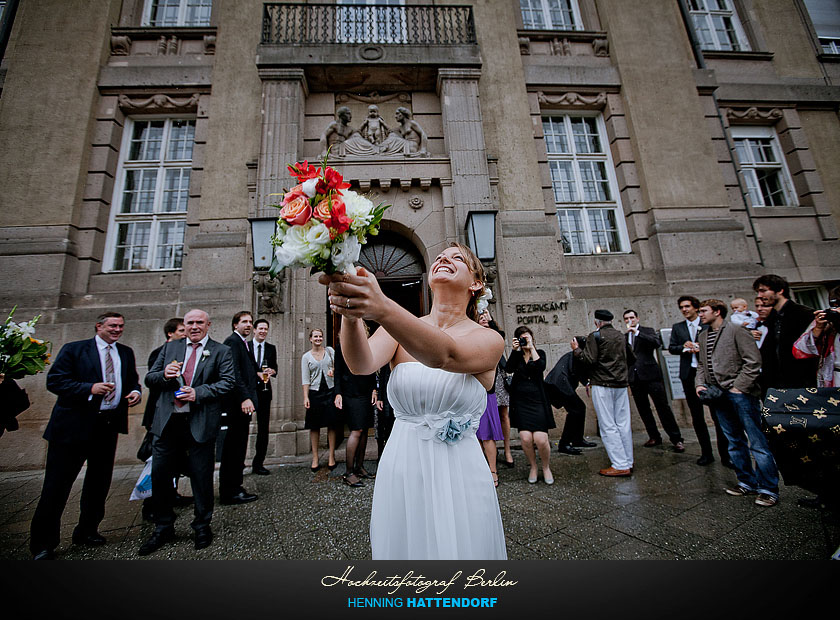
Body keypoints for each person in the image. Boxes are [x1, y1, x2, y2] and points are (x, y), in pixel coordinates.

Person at [320, 242, 506, 560]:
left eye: (456, 258)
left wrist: (383, 308)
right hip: (403, 461)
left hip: (458, 468)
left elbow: (447, 355)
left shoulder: (488, 339)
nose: (443, 259)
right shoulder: (398, 331)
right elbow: (360, 364)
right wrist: (350, 315)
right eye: (439, 257)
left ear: (476, 283)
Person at [30, 312, 142, 560]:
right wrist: (89, 388)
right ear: (99, 326)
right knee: (57, 486)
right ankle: (43, 543)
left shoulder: (125, 352)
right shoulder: (75, 350)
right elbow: (55, 382)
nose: (117, 330)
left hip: (107, 427)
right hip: (72, 428)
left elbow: (133, 380)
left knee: (98, 483)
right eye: (112, 326)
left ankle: (88, 530)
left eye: (121, 326)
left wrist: (135, 392)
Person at [138, 309, 236, 555]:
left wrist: (198, 393)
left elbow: (227, 382)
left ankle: (202, 526)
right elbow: (150, 378)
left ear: (208, 325)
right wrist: (164, 375)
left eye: (199, 322)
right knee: (160, 476)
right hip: (168, 423)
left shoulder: (220, 351)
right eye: (190, 322)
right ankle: (163, 526)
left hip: (200, 422)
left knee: (201, 478)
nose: (194, 326)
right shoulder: (170, 348)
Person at [695, 299, 779, 507]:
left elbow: (753, 361)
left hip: (742, 394)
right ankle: (746, 482)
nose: (701, 315)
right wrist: (699, 385)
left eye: (704, 311)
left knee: (757, 442)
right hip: (718, 395)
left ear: (717, 311)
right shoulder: (703, 335)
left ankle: (768, 488)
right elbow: (702, 365)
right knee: (734, 441)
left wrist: (739, 387)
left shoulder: (736, 330)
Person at [668, 296, 730, 467]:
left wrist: (699, 346)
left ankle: (725, 454)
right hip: (689, 374)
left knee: (718, 416)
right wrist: (684, 347)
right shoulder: (678, 327)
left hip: (709, 374)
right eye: (681, 307)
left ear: (696, 308)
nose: (684, 310)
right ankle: (706, 453)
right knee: (697, 416)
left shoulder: (707, 325)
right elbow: (672, 347)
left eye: (687, 306)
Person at [572, 309, 634, 477]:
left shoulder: (596, 336)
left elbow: (589, 359)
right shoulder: (621, 335)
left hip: (602, 384)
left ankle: (620, 464)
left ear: (596, 322)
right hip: (620, 384)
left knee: (607, 424)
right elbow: (632, 357)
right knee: (623, 423)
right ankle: (628, 460)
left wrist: (577, 350)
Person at [141, 317, 190, 522]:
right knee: (157, 463)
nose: (185, 334)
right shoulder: (160, 353)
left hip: (180, 415)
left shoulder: (185, 352)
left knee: (176, 459)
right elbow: (153, 381)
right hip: (159, 415)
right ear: (170, 333)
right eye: (181, 330)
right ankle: (151, 504)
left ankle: (173, 493)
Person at [623, 309, 685, 453]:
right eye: (626, 318)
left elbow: (656, 343)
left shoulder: (646, 331)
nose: (629, 320)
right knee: (643, 409)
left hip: (650, 375)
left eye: (632, 317)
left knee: (663, 407)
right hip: (635, 377)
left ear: (637, 318)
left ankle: (676, 438)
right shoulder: (625, 337)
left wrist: (637, 333)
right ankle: (654, 436)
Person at [219, 311, 259, 505]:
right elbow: (233, 372)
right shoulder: (233, 342)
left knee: (239, 445)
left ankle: (235, 486)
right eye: (244, 322)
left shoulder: (242, 343)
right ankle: (230, 490)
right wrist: (244, 398)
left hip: (243, 403)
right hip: (237, 405)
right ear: (235, 325)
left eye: (250, 322)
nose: (248, 325)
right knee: (234, 448)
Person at [507, 326, 556, 484]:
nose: (525, 340)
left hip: (538, 401)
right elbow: (508, 368)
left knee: (541, 439)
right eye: (522, 338)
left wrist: (531, 347)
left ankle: (546, 467)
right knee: (526, 438)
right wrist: (515, 350)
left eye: (527, 337)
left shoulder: (539, 353)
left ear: (532, 338)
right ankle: (533, 466)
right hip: (521, 402)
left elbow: (540, 366)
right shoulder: (517, 355)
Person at [753, 274, 818, 388]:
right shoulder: (772, 318)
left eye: (763, 291)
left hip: (801, 383)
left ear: (780, 291)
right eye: (758, 292)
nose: (760, 296)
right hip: (778, 385)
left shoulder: (803, 314)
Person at [334, 330, 378, 487]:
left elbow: (371, 368)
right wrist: (338, 393)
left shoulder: (368, 346)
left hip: (366, 392)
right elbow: (337, 372)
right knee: (356, 430)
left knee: (365, 430)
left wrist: (374, 389)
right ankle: (349, 472)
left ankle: (359, 467)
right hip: (350, 394)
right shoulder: (341, 348)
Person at [545, 336, 595, 455]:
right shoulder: (576, 355)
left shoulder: (575, 356)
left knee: (580, 408)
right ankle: (564, 444)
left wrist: (587, 382)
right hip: (559, 385)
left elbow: (580, 372)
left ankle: (577, 439)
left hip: (561, 385)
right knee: (575, 410)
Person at [301, 328, 338, 471]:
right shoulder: (306, 357)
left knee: (332, 424)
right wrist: (305, 397)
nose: (318, 338)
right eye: (315, 336)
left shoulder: (330, 351)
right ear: (310, 339)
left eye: (320, 336)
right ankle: (315, 457)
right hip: (314, 393)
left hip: (330, 391)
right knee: (314, 425)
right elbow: (305, 378)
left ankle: (331, 456)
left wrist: (333, 371)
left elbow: (338, 367)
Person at [476, 311, 504, 487]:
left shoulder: (494, 337)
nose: (483, 319)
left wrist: (491, 323)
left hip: (487, 392)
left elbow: (501, 336)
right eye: (480, 317)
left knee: (487, 435)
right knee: (474, 436)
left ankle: (493, 470)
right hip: (471, 391)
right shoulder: (471, 336)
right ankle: (478, 469)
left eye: (486, 316)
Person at [251, 318, 277, 475]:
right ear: (254, 330)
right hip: (248, 392)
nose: (263, 331)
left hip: (265, 392)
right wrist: (257, 374)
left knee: (263, 429)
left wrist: (272, 371)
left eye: (265, 329)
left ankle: (258, 462)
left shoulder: (271, 348)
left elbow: (275, 367)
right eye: (260, 328)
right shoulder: (246, 347)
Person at [374, 362, 395, 460]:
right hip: (386, 396)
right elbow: (383, 374)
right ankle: (383, 458)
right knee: (384, 429)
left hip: (400, 392)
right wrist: (380, 398)